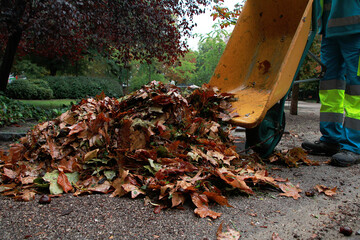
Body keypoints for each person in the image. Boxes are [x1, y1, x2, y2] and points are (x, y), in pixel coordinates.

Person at [302, 0, 360, 167]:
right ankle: (331, 139)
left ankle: (353, 145)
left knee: (356, 88)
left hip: (355, 27)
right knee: (330, 86)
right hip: (329, 29)